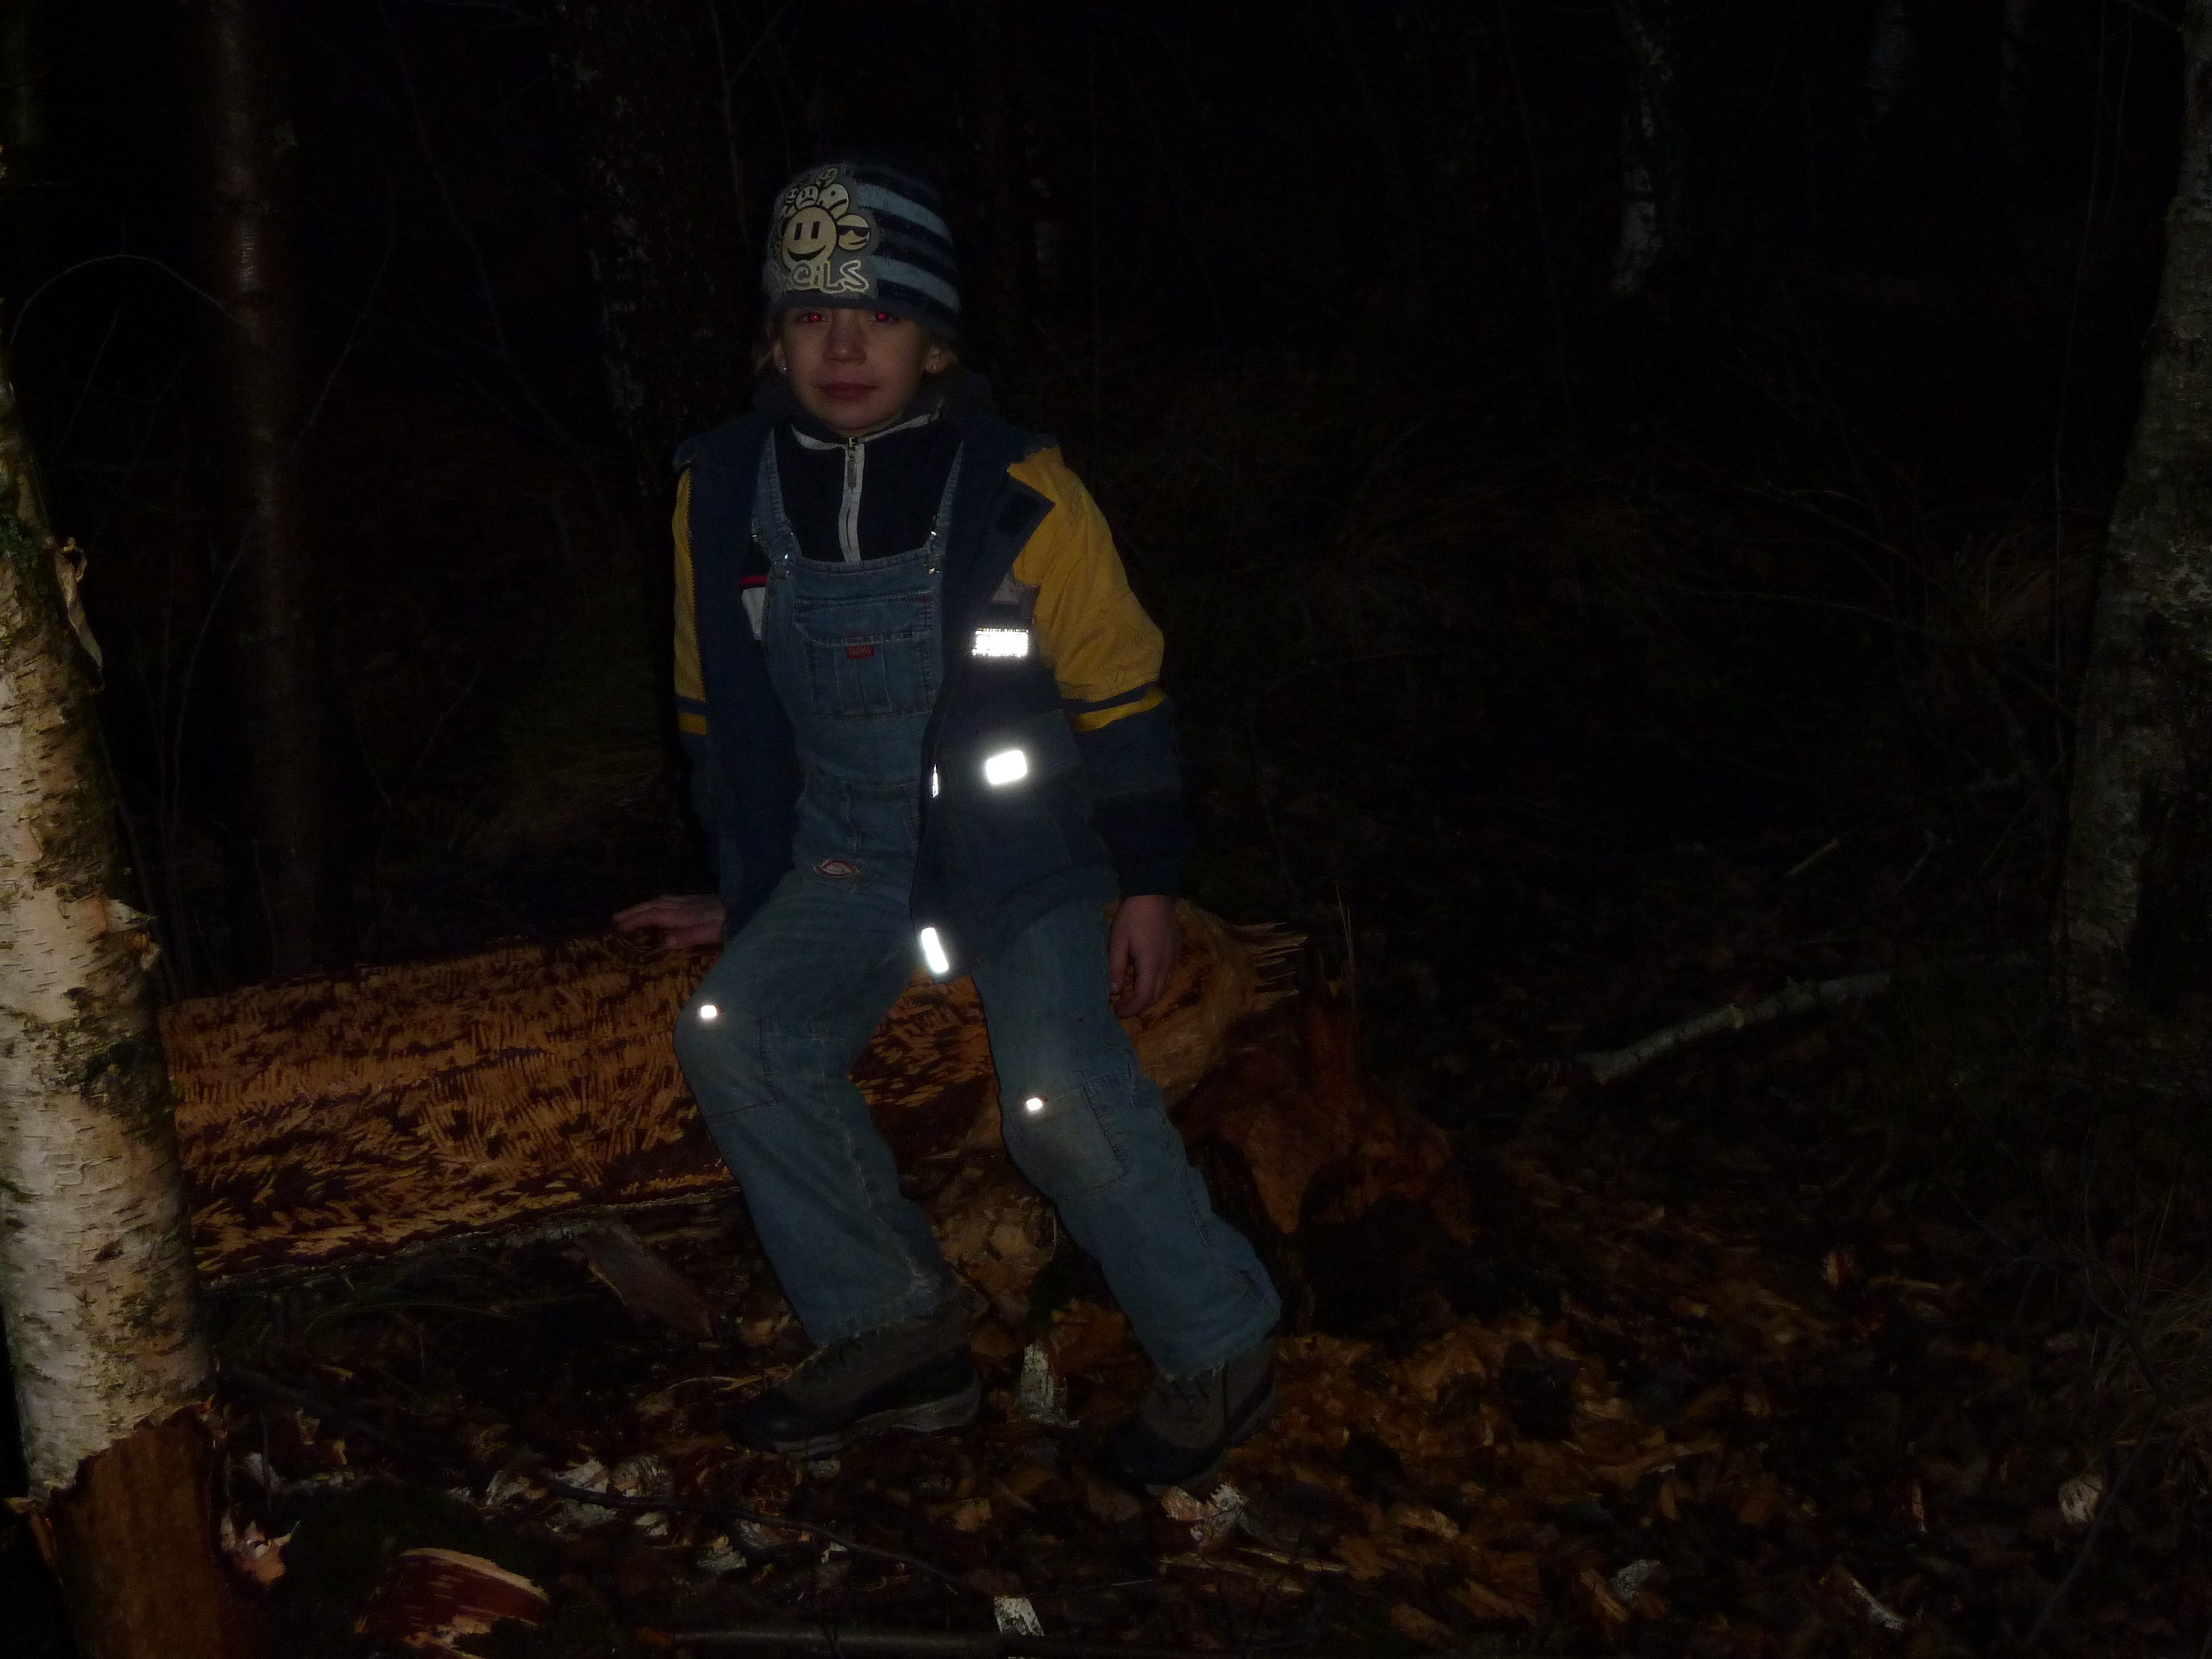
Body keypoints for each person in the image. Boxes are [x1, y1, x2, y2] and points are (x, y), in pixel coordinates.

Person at [614, 156, 1279, 1492]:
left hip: (1021, 860)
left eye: (879, 314)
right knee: (736, 1033)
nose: (843, 346)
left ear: (935, 342)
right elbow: (712, 716)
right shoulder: (722, 489)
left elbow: (1122, 691)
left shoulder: (1022, 486)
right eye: (810, 315)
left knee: (1056, 1108)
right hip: (842, 856)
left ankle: (1220, 1342)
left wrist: (1149, 883)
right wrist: (745, 889)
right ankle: (895, 1329)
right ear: (773, 340)